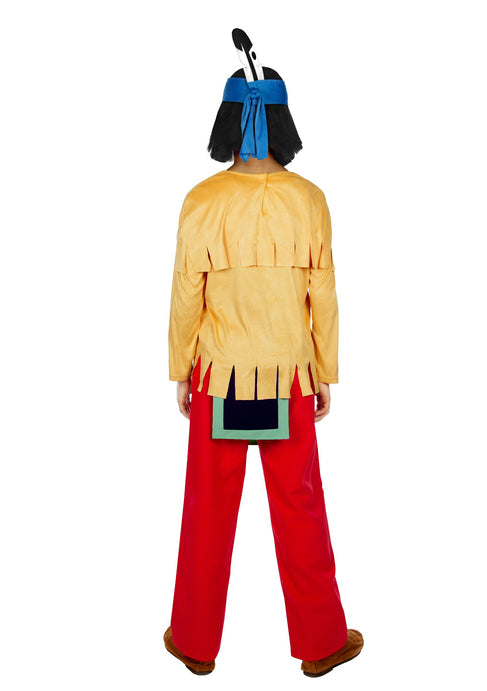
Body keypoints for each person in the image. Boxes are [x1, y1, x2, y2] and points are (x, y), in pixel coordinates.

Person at [163, 28, 364, 677]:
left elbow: (185, 295)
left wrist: (181, 370)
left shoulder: (200, 201)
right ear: (281, 121)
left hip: (218, 378)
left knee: (206, 512)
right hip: (288, 381)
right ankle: (322, 641)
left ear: (229, 120)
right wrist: (324, 372)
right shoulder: (310, 200)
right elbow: (323, 295)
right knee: (301, 508)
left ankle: (194, 642)